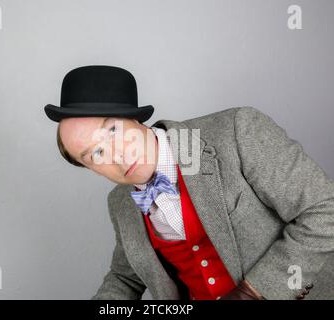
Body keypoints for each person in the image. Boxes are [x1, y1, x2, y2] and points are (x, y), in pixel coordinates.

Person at [44, 65, 334, 300]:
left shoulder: (236, 130)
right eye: (96, 154)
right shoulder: (119, 203)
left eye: (114, 130)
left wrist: (252, 293)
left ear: (135, 118)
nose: (118, 155)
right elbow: (124, 278)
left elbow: (324, 211)